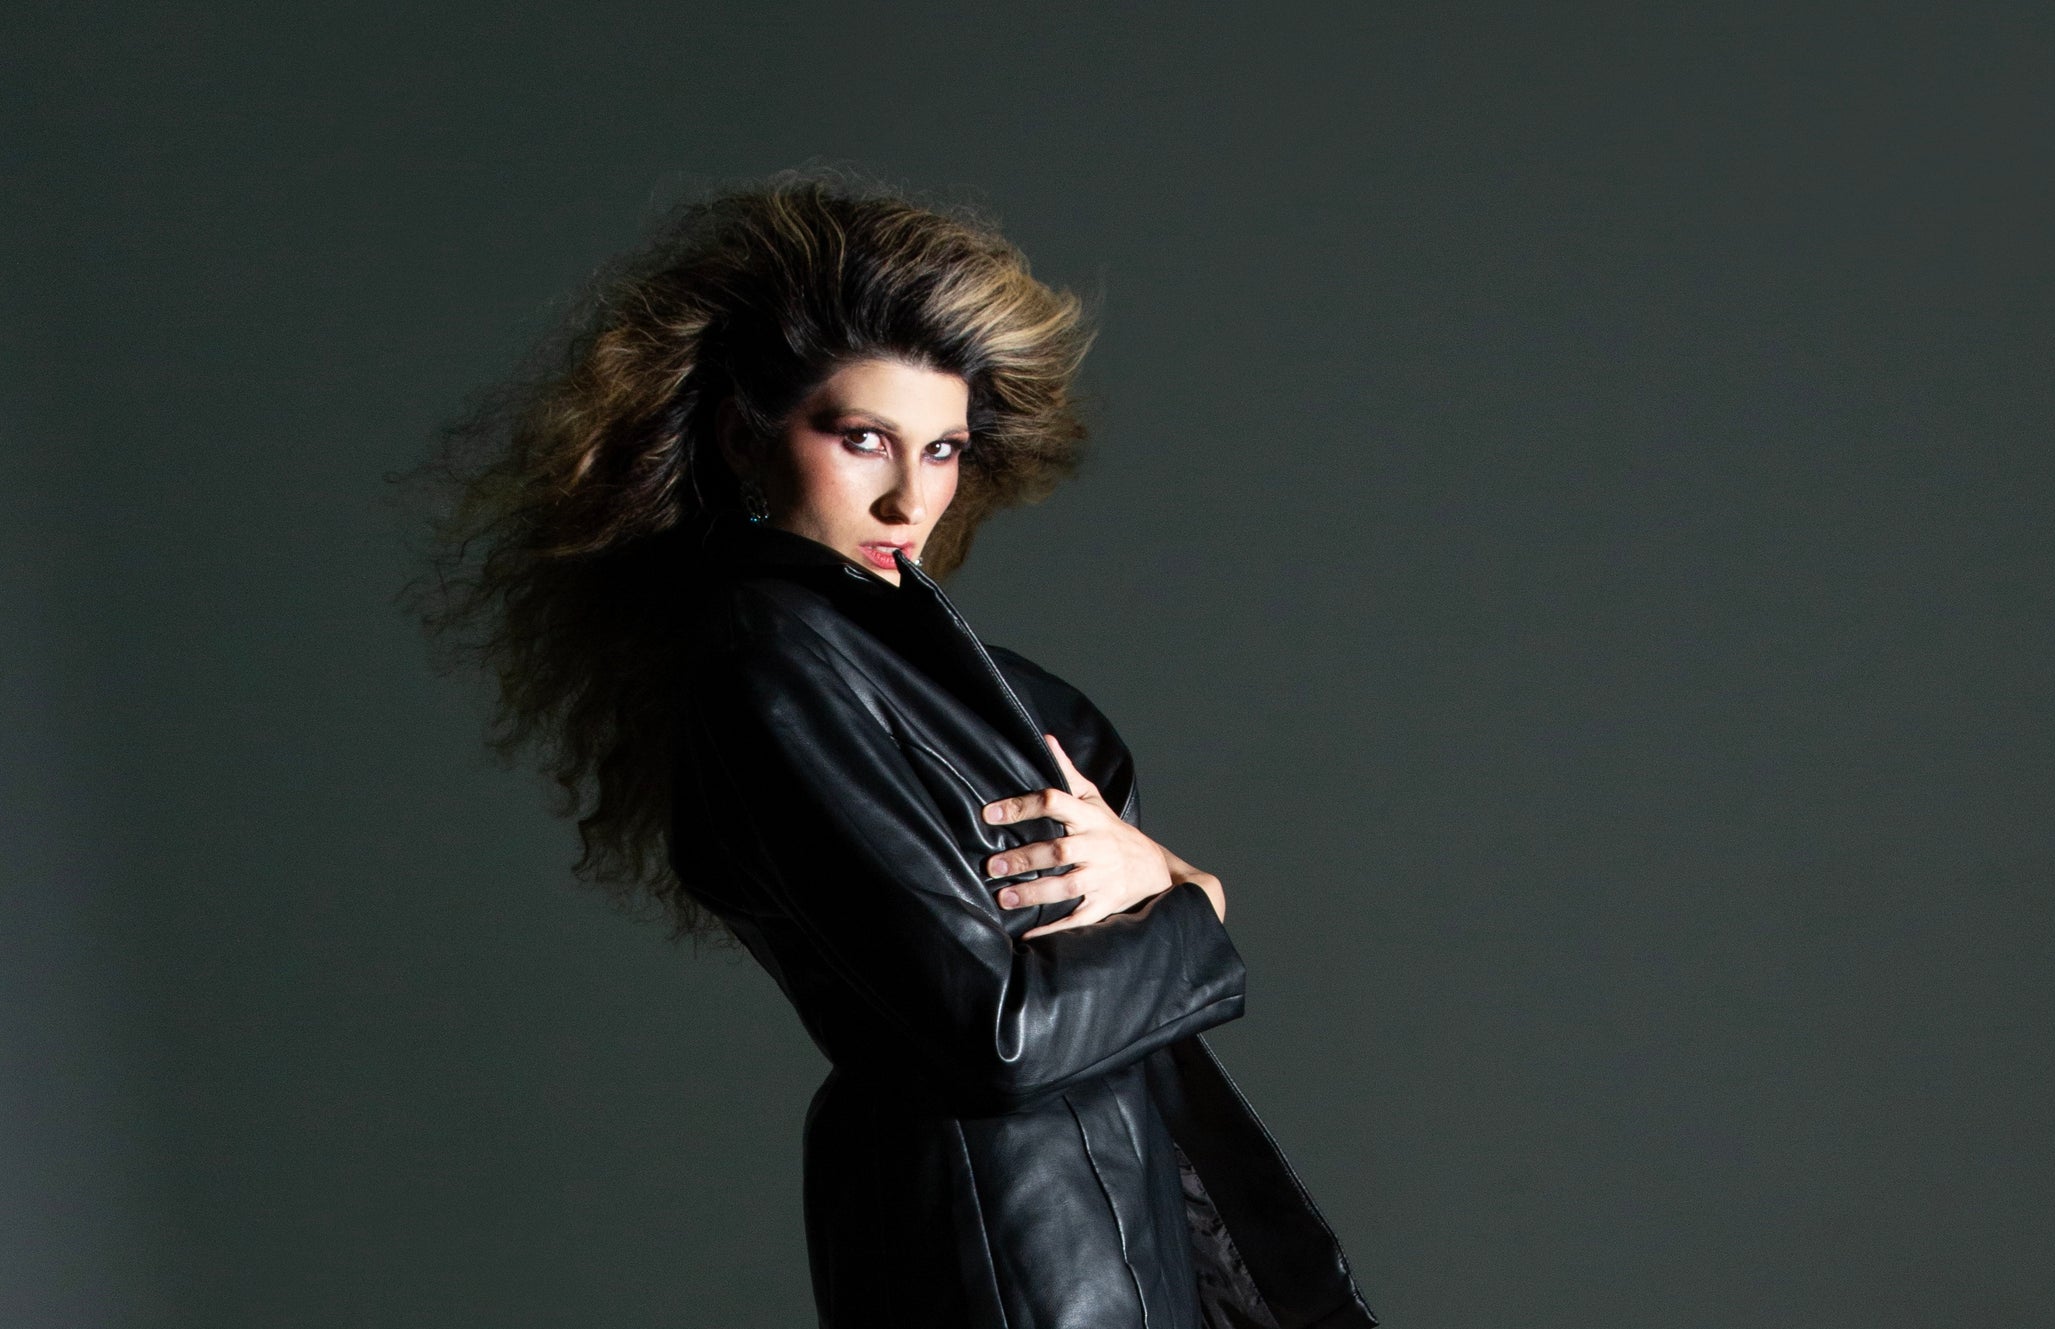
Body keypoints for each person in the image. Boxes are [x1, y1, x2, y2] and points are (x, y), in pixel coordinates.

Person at [412, 170, 1378, 1329]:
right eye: (862, 439)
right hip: (1016, 1251)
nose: (907, 499)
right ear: (744, 437)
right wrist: (1196, 906)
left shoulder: (911, 665)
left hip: (1089, 1220)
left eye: (944, 450)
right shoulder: (771, 657)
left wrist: (1152, 881)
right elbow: (996, 1038)